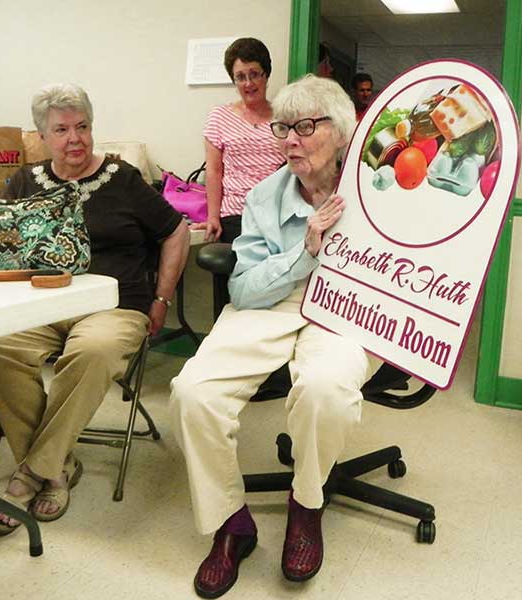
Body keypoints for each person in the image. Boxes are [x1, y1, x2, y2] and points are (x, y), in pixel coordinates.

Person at [170, 75, 367, 598]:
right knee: (194, 392)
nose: (290, 141)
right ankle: (233, 523)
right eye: (284, 128)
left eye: (306, 127)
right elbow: (245, 286)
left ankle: (306, 503)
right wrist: (304, 252)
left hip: (345, 307)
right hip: (273, 302)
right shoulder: (263, 196)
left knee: (326, 388)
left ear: (342, 132)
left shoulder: (375, 193)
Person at [0, 83, 189, 534]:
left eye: (83, 126)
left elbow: (176, 231)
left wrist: (161, 299)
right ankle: (57, 462)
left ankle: (34, 469)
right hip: (41, 308)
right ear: (43, 137)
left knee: (91, 351)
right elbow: (2, 246)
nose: (76, 139)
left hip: (114, 306)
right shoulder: (25, 182)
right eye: (62, 129)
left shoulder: (122, 178)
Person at [196, 37, 285, 243]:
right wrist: (213, 216)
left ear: (266, 74)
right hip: (234, 216)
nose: (248, 83)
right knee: (233, 274)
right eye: (240, 77)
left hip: (276, 216)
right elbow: (214, 171)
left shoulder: (284, 118)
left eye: (254, 74)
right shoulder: (219, 117)